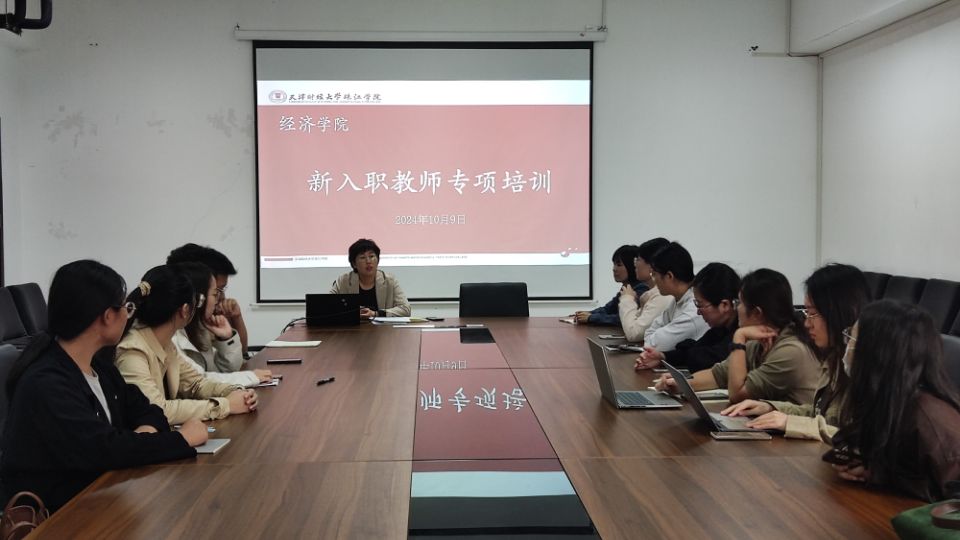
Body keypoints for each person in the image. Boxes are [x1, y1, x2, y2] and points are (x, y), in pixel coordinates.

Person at [0, 260, 204, 512]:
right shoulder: (46, 383)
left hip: (103, 499)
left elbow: (149, 410)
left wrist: (144, 434)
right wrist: (181, 439)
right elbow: (104, 450)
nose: (128, 315)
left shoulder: (100, 367)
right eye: (125, 308)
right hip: (60, 516)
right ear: (107, 316)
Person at [828, 300, 960, 502]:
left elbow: (951, 502)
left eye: (852, 339)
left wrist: (883, 477)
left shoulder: (931, 420)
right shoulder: (889, 400)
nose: (847, 347)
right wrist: (872, 471)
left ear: (876, 355)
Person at [721, 264, 870, 440]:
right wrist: (770, 408)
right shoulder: (834, 357)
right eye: (806, 313)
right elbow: (819, 414)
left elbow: (857, 437)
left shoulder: (866, 369)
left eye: (813, 314)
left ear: (838, 312)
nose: (807, 323)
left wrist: (790, 423)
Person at [115, 265, 258, 425]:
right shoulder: (133, 350)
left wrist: (236, 392)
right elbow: (157, 410)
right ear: (185, 310)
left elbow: (196, 384)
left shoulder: (165, 343)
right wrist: (225, 405)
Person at [654, 268, 819, 405]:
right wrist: (681, 384)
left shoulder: (790, 349)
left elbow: (737, 395)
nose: (736, 308)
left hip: (795, 433)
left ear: (757, 313)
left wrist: (739, 337)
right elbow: (718, 375)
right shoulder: (758, 341)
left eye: (739, 303)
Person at [171, 262, 272, 387]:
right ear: (199, 298)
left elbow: (223, 371)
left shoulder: (200, 327)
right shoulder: (172, 336)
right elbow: (198, 381)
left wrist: (226, 338)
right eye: (215, 293)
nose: (219, 299)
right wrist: (250, 377)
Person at [635, 262, 740, 372]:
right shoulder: (720, 328)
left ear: (725, 305)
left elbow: (705, 358)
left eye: (700, 305)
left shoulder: (741, 334)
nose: (698, 312)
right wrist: (662, 356)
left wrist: (689, 351)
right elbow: (694, 349)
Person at [167, 243, 249, 357]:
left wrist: (236, 317)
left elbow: (241, 355)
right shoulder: (172, 333)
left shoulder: (204, 319)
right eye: (217, 291)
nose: (222, 297)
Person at [641, 242, 708, 351]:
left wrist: (654, 338)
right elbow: (650, 332)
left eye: (654, 274)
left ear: (669, 276)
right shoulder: (678, 299)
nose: (654, 280)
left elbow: (652, 345)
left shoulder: (694, 310)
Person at [330, 238, 411, 318]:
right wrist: (352, 312)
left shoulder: (389, 281)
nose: (368, 261)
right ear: (354, 264)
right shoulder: (343, 281)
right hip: (352, 326)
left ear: (378, 260)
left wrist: (376, 314)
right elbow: (328, 306)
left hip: (383, 326)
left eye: (371, 256)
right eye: (362, 257)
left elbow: (405, 309)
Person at [574, 245, 647, 325]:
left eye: (619, 265)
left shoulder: (641, 289)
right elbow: (608, 309)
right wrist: (588, 313)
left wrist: (591, 317)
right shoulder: (626, 287)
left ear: (632, 266)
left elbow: (622, 319)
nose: (614, 269)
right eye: (614, 264)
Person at [618, 237, 672, 342]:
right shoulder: (651, 294)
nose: (635, 264)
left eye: (638, 259)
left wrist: (627, 299)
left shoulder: (663, 296)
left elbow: (634, 333)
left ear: (652, 265)